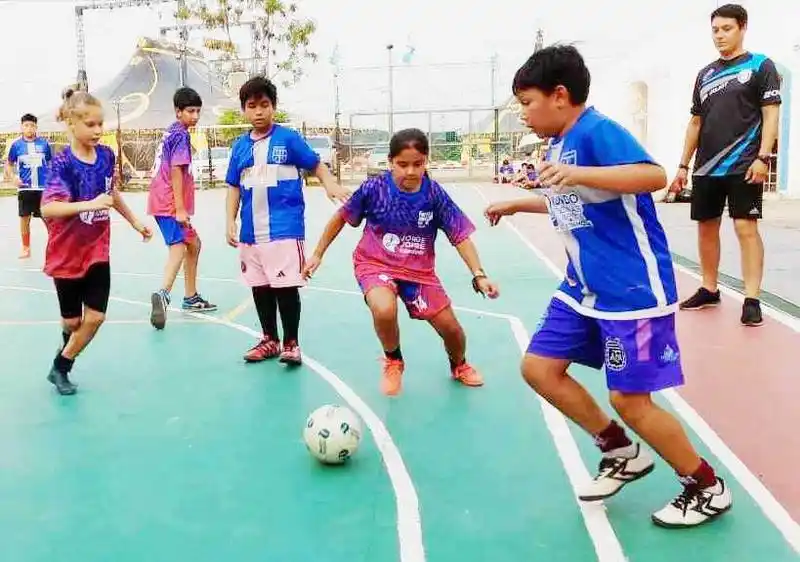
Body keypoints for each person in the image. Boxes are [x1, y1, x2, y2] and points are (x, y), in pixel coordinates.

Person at [484, 45, 732, 527]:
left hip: (631, 292)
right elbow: (576, 204)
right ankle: (621, 451)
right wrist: (520, 204)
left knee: (629, 399)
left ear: (559, 95)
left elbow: (653, 176)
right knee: (539, 368)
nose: (524, 113)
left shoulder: (597, 132)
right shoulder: (558, 144)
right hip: (584, 289)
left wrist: (576, 172)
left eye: (527, 102)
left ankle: (706, 486)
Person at [303, 128, 499, 396]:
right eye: (402, 164)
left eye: (417, 164)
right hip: (375, 262)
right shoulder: (375, 189)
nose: (410, 171)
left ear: (426, 161)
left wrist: (479, 274)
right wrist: (317, 254)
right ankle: (394, 360)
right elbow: (340, 217)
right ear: (390, 162)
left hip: (419, 272)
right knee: (383, 308)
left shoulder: (434, 195)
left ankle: (459, 365)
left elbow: (460, 236)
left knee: (452, 331)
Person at [668, 3, 781, 327]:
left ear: (742, 28)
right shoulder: (705, 74)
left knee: (745, 228)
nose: (719, 35)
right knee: (706, 228)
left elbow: (771, 114)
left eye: (726, 29)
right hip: (706, 166)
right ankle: (709, 287)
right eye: (715, 30)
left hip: (745, 164)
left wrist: (763, 157)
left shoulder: (761, 66)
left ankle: (752, 298)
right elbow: (695, 122)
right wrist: (682, 165)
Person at [225, 76, 350, 365]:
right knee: (259, 286)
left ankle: (291, 342)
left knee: (285, 287)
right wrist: (229, 221)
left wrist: (330, 185)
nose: (259, 112)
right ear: (244, 109)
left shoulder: (288, 139)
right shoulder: (239, 147)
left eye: (265, 105)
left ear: (274, 107)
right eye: (252, 106)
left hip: (284, 229)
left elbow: (316, 163)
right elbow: (233, 186)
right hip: (250, 233)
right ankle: (269, 339)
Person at [41, 87, 152, 396]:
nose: (98, 130)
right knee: (73, 322)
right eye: (90, 124)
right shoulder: (62, 164)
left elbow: (110, 193)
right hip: (66, 253)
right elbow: (48, 207)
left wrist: (134, 221)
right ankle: (66, 354)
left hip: (97, 249)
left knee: (97, 317)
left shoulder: (106, 155)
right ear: (72, 125)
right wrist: (87, 204)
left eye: (100, 123)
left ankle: (60, 366)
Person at [148, 87, 217, 330]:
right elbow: (177, 171)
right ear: (178, 112)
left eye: (198, 111)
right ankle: (163, 294)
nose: (195, 116)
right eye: (190, 111)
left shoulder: (172, 132)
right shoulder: (180, 136)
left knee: (194, 244)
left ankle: (190, 296)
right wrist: (179, 207)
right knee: (177, 248)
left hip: (163, 200)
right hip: (168, 202)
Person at [5, 113, 53, 259]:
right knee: (24, 218)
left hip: (43, 189)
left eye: (32, 125)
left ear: (36, 127)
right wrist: (13, 177)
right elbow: (9, 164)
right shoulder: (16, 146)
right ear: (22, 127)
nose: (29, 128)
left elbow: (50, 163)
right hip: (25, 188)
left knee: (49, 218)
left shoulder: (44, 144)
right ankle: (26, 248)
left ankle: (55, 245)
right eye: (26, 125)